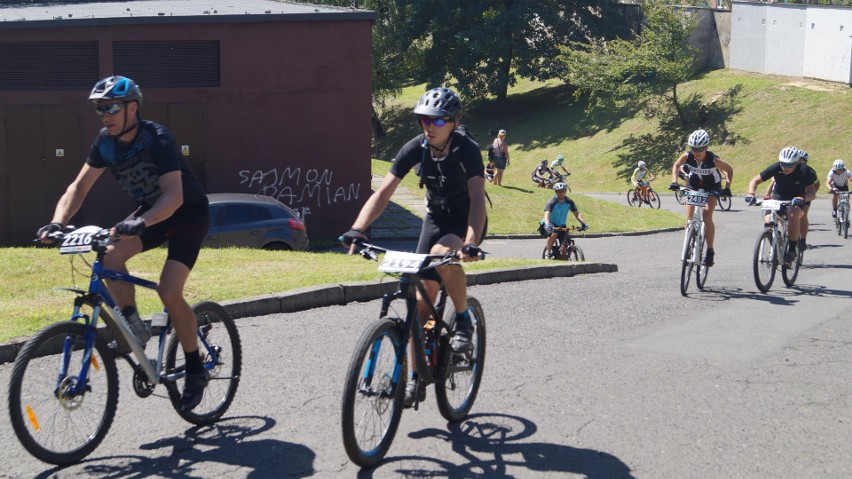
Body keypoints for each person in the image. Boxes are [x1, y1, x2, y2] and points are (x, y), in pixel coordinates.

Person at [36, 76, 211, 412]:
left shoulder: (157, 139)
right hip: (149, 214)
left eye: (112, 107)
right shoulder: (104, 143)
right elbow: (78, 187)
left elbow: (174, 196)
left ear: (133, 107)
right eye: (100, 109)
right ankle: (132, 324)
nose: (105, 115)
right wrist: (58, 222)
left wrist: (140, 221)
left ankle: (194, 367)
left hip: (186, 214)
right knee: (111, 258)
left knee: (168, 290)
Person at [341, 87, 486, 408]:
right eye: (424, 120)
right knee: (419, 308)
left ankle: (463, 317)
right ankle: (417, 378)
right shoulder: (414, 149)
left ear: (451, 123)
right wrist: (358, 228)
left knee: (441, 256)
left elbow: (478, 199)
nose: (428, 127)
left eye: (435, 122)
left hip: (466, 220)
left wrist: (471, 242)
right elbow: (382, 193)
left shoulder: (467, 150)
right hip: (435, 218)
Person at [668, 129, 734, 267]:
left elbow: (729, 170)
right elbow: (676, 165)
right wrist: (674, 181)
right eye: (694, 148)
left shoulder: (713, 160)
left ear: (706, 147)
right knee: (689, 218)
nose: (697, 152)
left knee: (706, 214)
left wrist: (727, 188)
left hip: (712, 187)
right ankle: (688, 247)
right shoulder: (687, 156)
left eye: (700, 149)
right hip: (694, 185)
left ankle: (710, 251)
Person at [745, 146, 817, 263]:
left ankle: (792, 249)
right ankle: (774, 236)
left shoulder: (804, 170)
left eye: (789, 165)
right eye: (783, 164)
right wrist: (751, 193)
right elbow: (755, 180)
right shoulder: (776, 167)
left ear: (796, 162)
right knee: (768, 219)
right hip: (778, 196)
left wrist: (803, 198)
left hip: (796, 197)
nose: (785, 168)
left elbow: (812, 193)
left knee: (793, 214)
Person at [542, 182, 588, 258]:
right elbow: (547, 214)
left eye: (563, 191)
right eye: (559, 191)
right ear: (556, 192)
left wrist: (583, 223)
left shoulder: (569, 202)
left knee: (566, 241)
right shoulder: (552, 201)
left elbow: (576, 214)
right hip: (550, 223)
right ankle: (548, 252)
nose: (561, 193)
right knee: (554, 234)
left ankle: (563, 256)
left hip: (561, 225)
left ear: (565, 191)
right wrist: (547, 225)